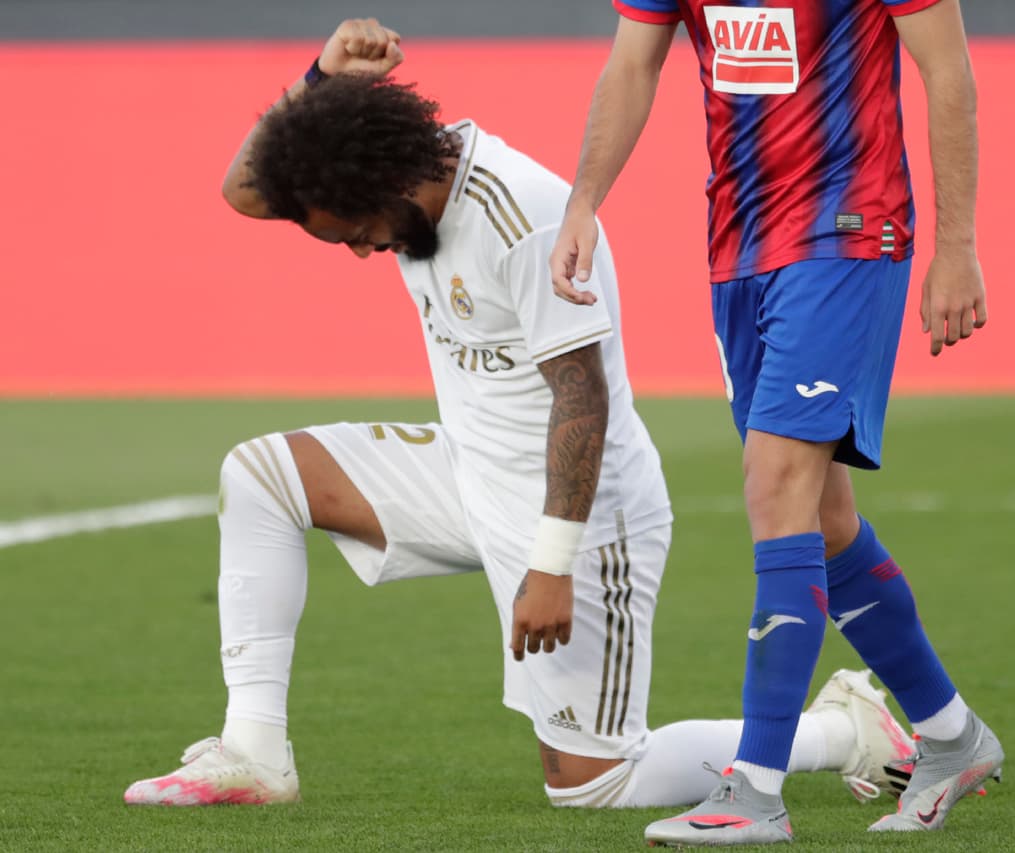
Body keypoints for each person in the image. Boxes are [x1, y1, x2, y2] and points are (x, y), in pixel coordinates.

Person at [121, 19, 918, 811]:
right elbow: (245, 192)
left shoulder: (523, 212)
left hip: (582, 515)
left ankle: (841, 729)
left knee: (596, 784)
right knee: (259, 475)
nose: (363, 252)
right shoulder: (387, 185)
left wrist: (551, 562)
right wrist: (323, 80)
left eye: (357, 234)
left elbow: (582, 396)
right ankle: (255, 752)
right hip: (467, 471)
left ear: (383, 186)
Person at [550, 0, 1003, 844]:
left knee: (773, 485)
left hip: (847, 232)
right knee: (824, 520)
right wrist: (585, 200)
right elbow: (632, 65)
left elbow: (948, 72)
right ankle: (951, 736)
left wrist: (958, 243)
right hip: (741, 246)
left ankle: (754, 791)